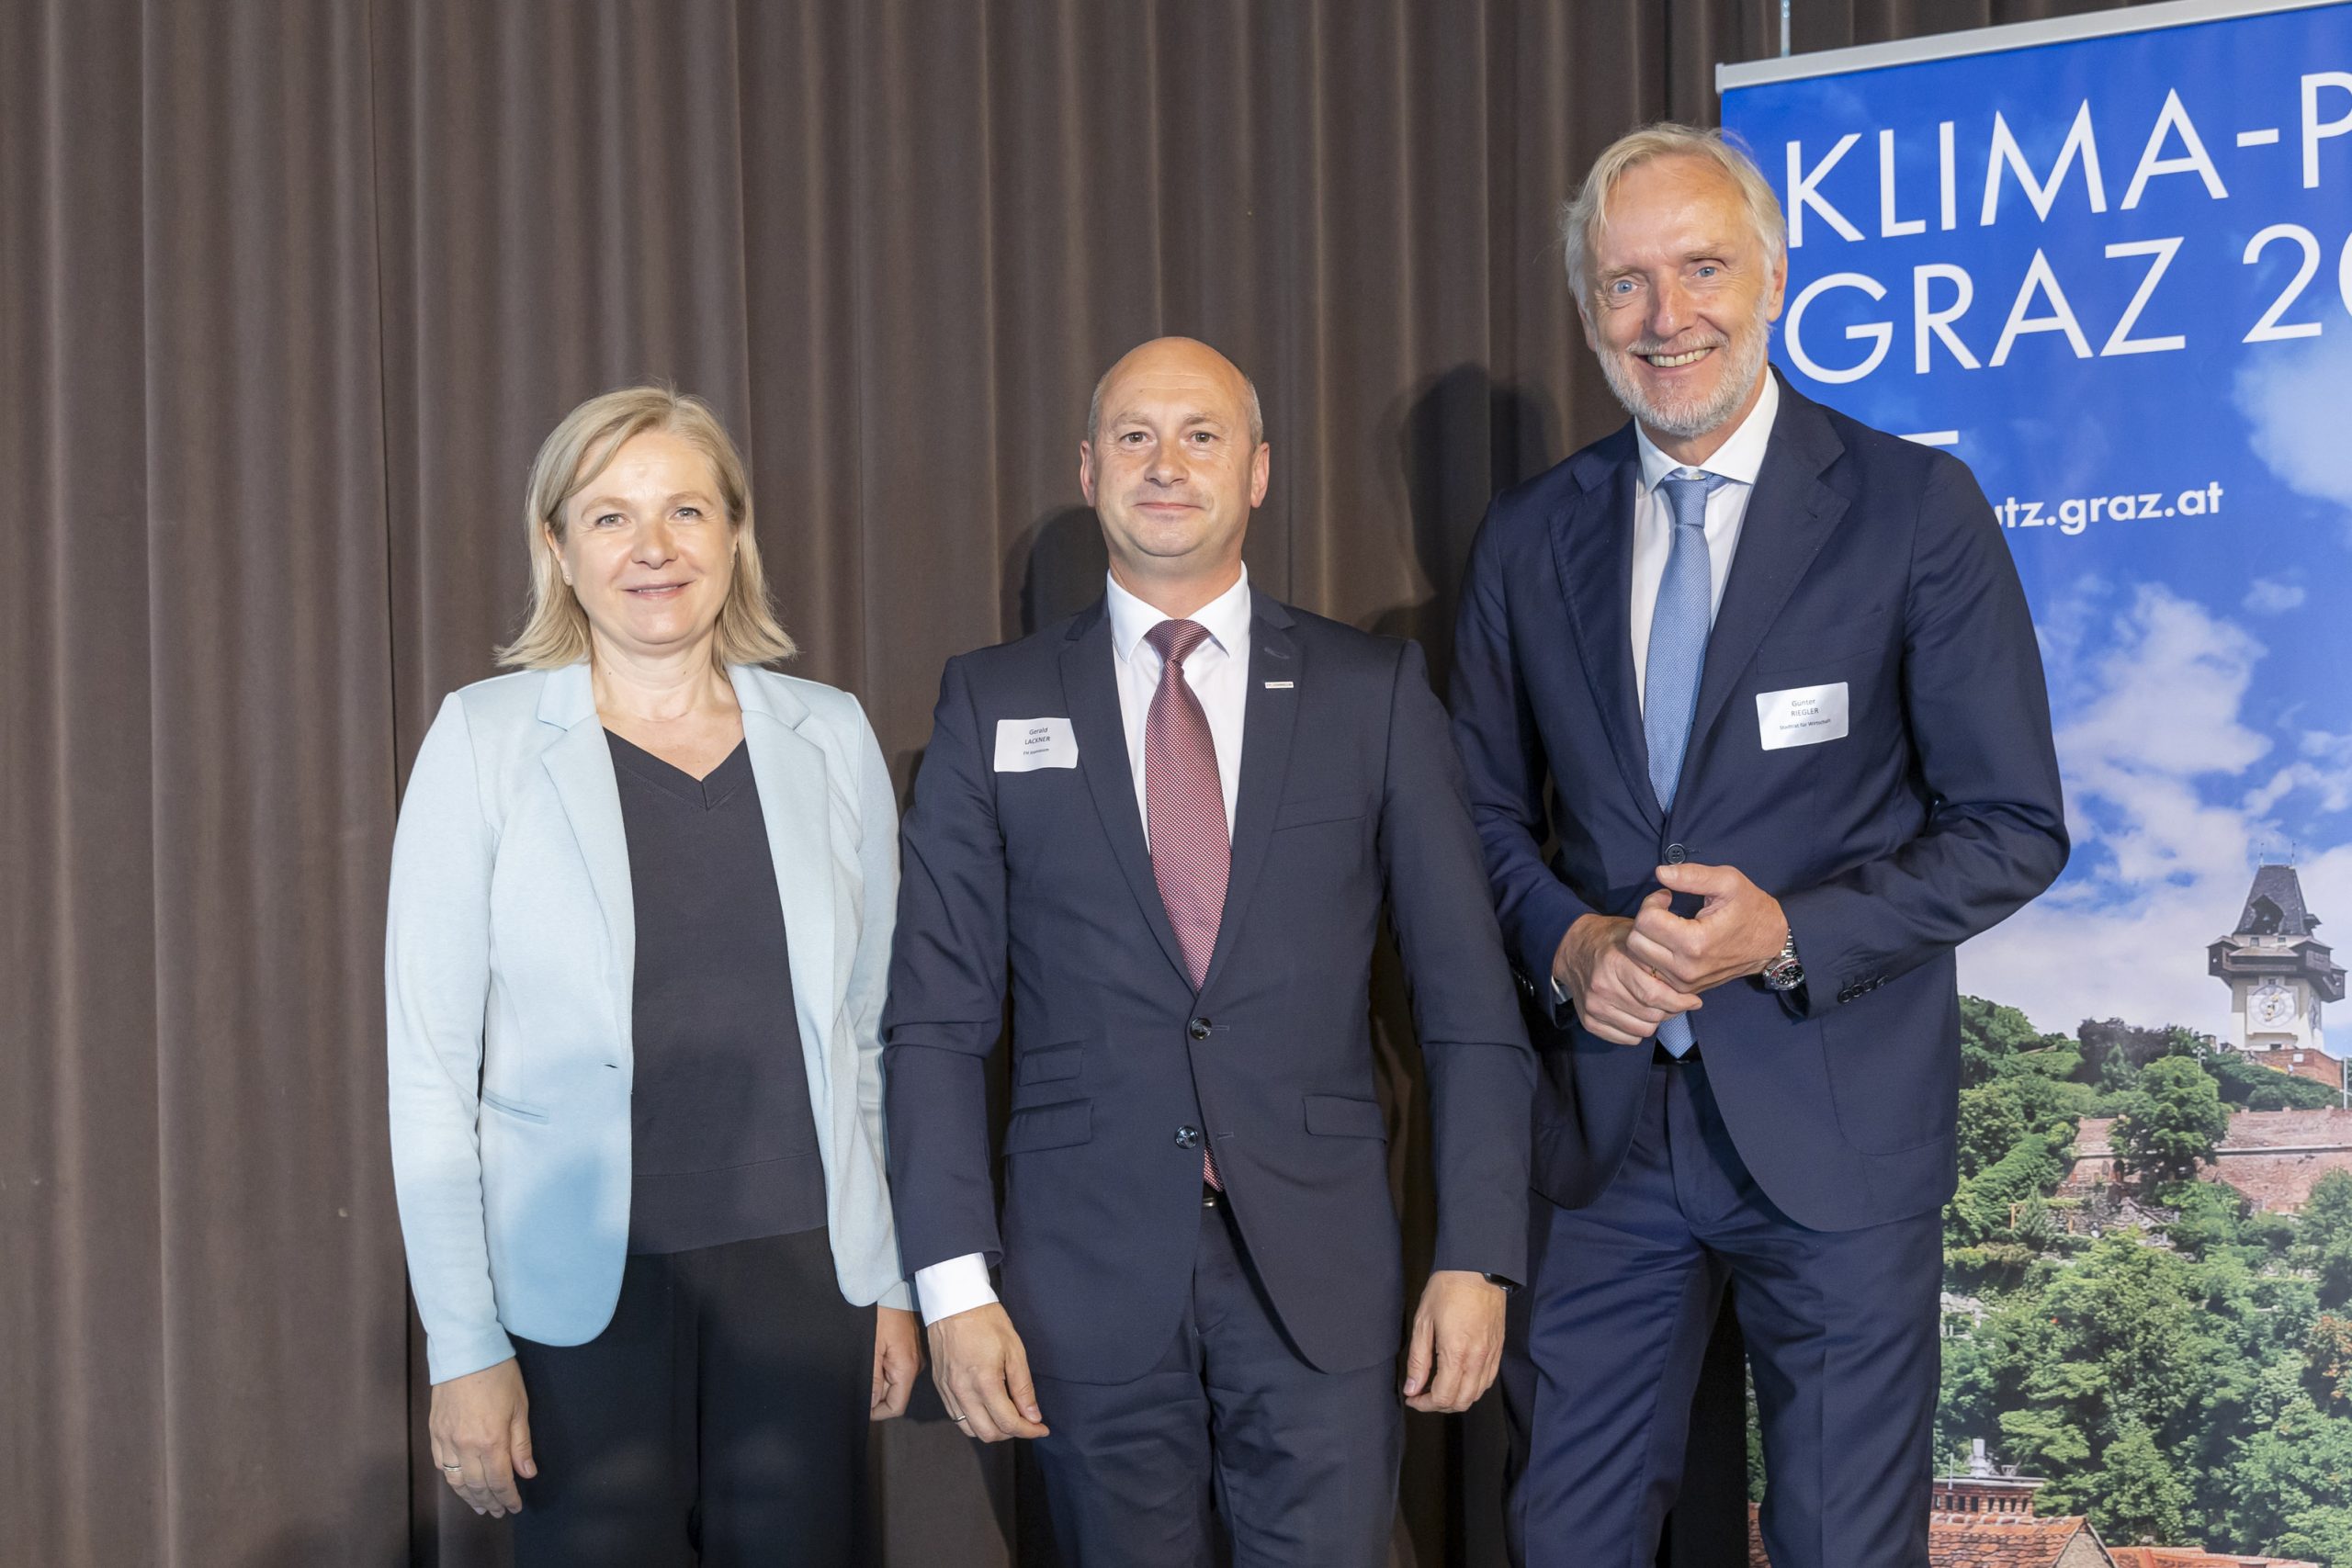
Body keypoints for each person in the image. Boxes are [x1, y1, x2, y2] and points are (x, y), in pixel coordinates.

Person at [1448, 126, 2068, 1568]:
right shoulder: (1531, 536)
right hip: (1600, 1144)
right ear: (1589, 310)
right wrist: (1572, 938)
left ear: (1776, 276)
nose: (1667, 319)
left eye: (1702, 268)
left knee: (1845, 1545)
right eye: (1623, 285)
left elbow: (2014, 827)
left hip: (1840, 1126)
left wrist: (1787, 932)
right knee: (1561, 1536)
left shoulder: (1916, 508)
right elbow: (1471, 814)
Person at [883, 337, 1534, 1565]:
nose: (1166, 463)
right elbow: (935, 1020)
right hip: (1082, 1281)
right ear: (1088, 468)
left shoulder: (1371, 690)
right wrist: (955, 1285)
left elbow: (1467, 1004)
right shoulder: (992, 700)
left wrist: (1477, 1251)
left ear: (1259, 470)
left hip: (1325, 1276)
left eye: (1201, 434)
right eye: (1134, 435)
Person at [384, 386, 921, 1565]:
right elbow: (429, 1074)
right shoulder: (482, 739)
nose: (655, 548)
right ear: (558, 549)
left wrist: (883, 1272)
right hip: (577, 1308)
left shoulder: (827, 734)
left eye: (686, 509)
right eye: (613, 516)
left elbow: (872, 1034)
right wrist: (464, 1344)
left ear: (734, 536)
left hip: (801, 1284)